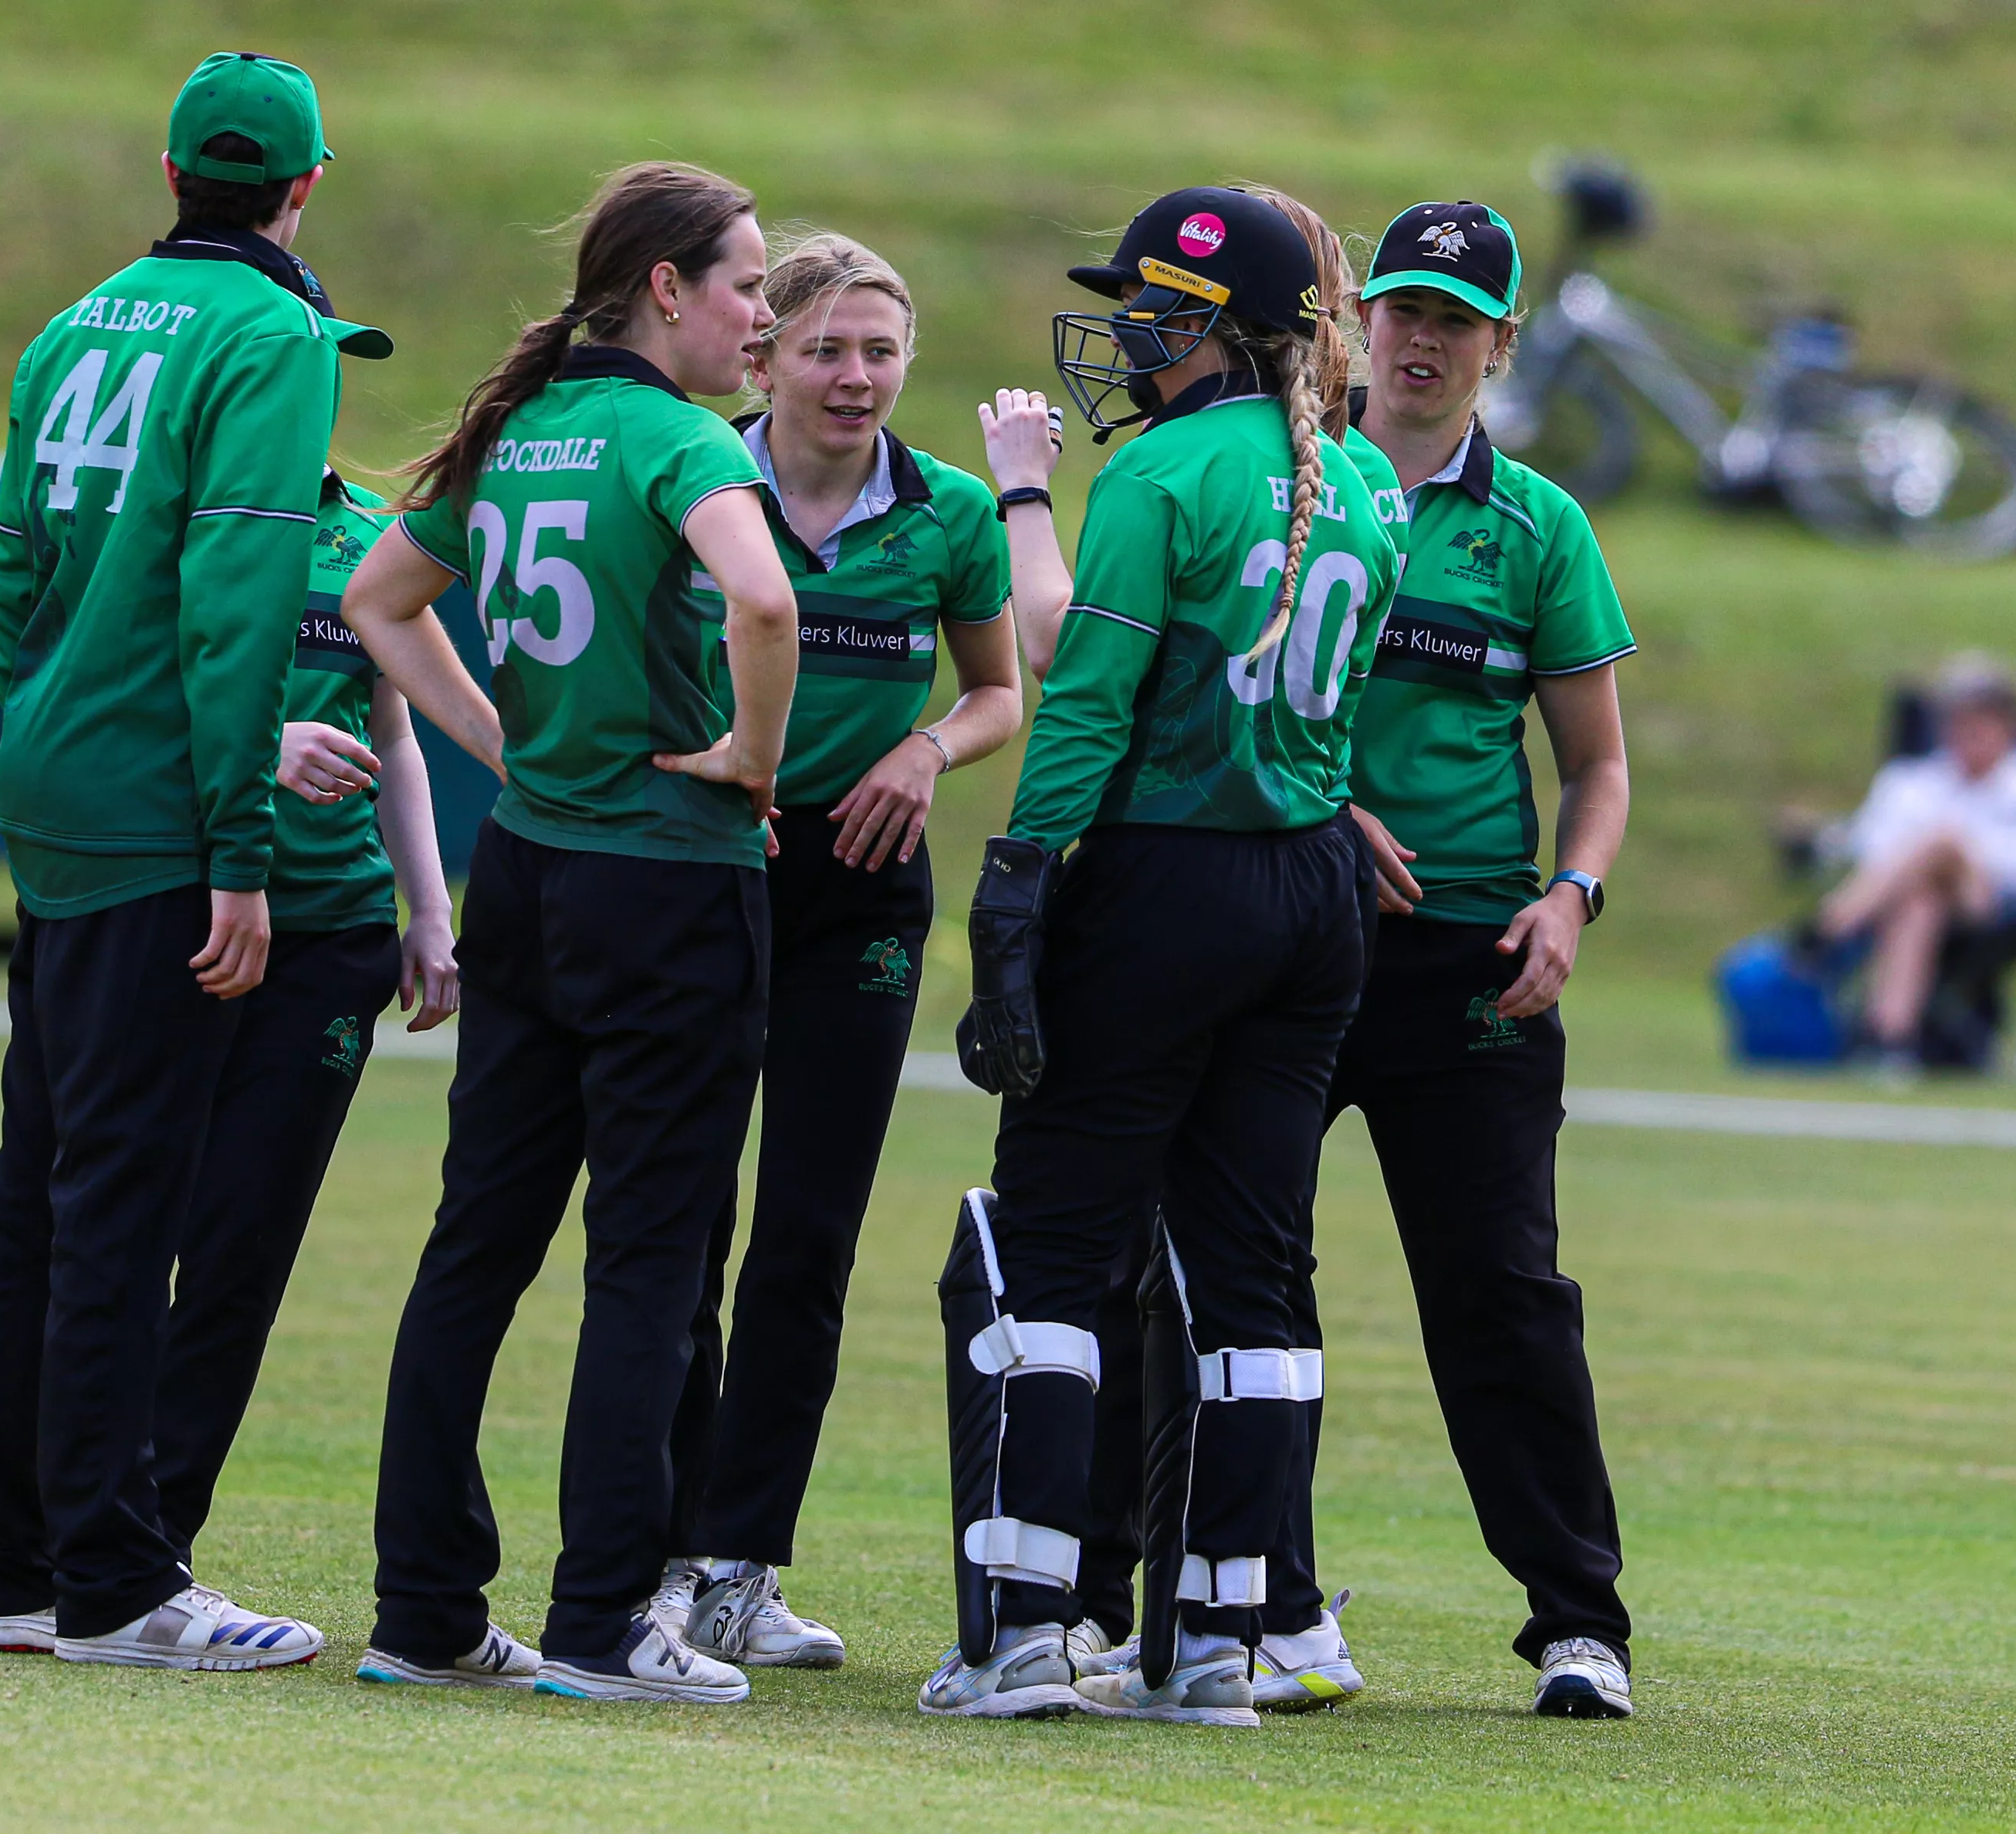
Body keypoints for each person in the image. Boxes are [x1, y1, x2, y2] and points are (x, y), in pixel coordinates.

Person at [927, 186, 1396, 1727]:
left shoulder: (1160, 472)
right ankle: (1218, 1644)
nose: (1124, 333)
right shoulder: (1365, 481)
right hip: (1312, 889)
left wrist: (1018, 875)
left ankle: (1022, 1633)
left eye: (1146, 308)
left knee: (1055, 1247)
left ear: (1211, 327)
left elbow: (1086, 700)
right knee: (1248, 1270)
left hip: (1163, 880)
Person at [0, 52, 393, 1670]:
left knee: (39, 1196)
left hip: (56, 792)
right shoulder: (276, 335)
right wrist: (239, 843)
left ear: (170, 173)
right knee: (126, 1202)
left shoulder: (72, 324)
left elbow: (10, 575)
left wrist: (54, 720)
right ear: (304, 185)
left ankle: (8, 1569)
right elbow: (240, 596)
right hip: (161, 818)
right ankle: (115, 1583)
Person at [343, 162, 800, 1705]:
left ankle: (423, 1611)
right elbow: (764, 605)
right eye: (747, 283)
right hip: (665, 882)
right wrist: (749, 760)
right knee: (648, 1263)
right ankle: (604, 1622)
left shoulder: (517, 430)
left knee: (473, 1248)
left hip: (528, 879)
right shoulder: (680, 442)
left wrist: (505, 748)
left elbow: (382, 601)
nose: (763, 314)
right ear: (665, 288)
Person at [651, 235, 1023, 1669]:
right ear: (763, 360)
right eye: (824, 348)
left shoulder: (950, 514)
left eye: (879, 350)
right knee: (679, 1222)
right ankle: (654, 1556)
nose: (854, 376)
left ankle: (740, 1564)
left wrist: (924, 752)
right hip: (702, 861)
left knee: (806, 1234)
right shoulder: (692, 480)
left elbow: (997, 692)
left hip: (860, 888)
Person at [1314, 201, 1641, 1717]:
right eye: (1401, 309)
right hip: (1284, 933)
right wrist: (1325, 814)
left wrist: (1570, 896)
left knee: (1502, 1290)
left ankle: (1578, 1623)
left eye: (1455, 319)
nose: (1421, 340)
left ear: (1500, 345)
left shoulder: (1539, 528)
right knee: (1231, 1272)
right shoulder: (1284, 485)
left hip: (1474, 960)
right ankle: (1234, 1594)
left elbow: (1597, 765)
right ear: (1359, 319)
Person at [145, 467, 482, 1583]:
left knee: (242, 1250)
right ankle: (73, 1524)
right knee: (127, 1230)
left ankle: (157, 1544)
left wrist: (427, 910)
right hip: (178, 910)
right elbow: (105, 691)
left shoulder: (373, 537)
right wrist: (261, 743)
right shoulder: (166, 513)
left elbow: (394, 731)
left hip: (333, 937)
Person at [1815, 653, 2016, 1066]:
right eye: (1960, 720)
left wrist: (1962, 853)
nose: (1970, 732)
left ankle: (1825, 931)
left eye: (1983, 721)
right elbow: (1869, 846)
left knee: (1943, 841)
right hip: (1906, 899)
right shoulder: (1910, 780)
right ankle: (1891, 1041)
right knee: (1922, 902)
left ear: (2010, 727)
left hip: (1999, 909)